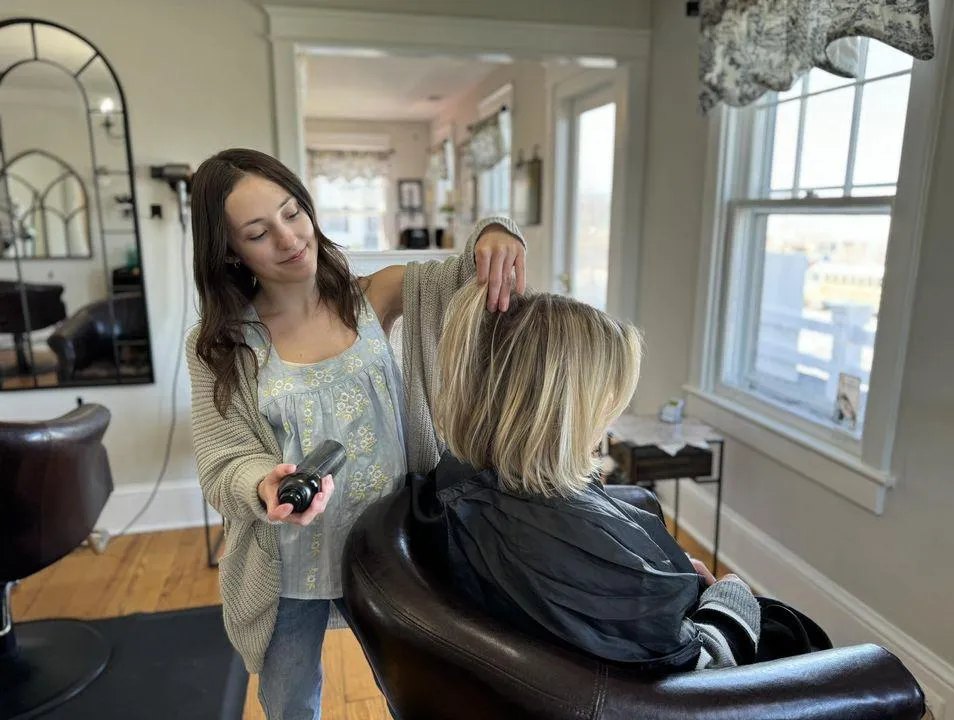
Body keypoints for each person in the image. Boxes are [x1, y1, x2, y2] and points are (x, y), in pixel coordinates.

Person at [185, 148, 525, 720]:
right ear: (228, 250)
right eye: (258, 232)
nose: (290, 239)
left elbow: (469, 270)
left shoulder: (377, 296)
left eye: (293, 213)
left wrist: (497, 229)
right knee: (291, 702)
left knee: (415, 692)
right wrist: (261, 484)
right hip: (287, 563)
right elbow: (222, 462)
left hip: (388, 544)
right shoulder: (222, 344)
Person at [416, 285, 761, 672]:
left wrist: (670, 571)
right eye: (605, 400)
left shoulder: (473, 482)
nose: (609, 418)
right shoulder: (553, 540)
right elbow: (706, 666)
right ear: (567, 411)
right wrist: (731, 592)